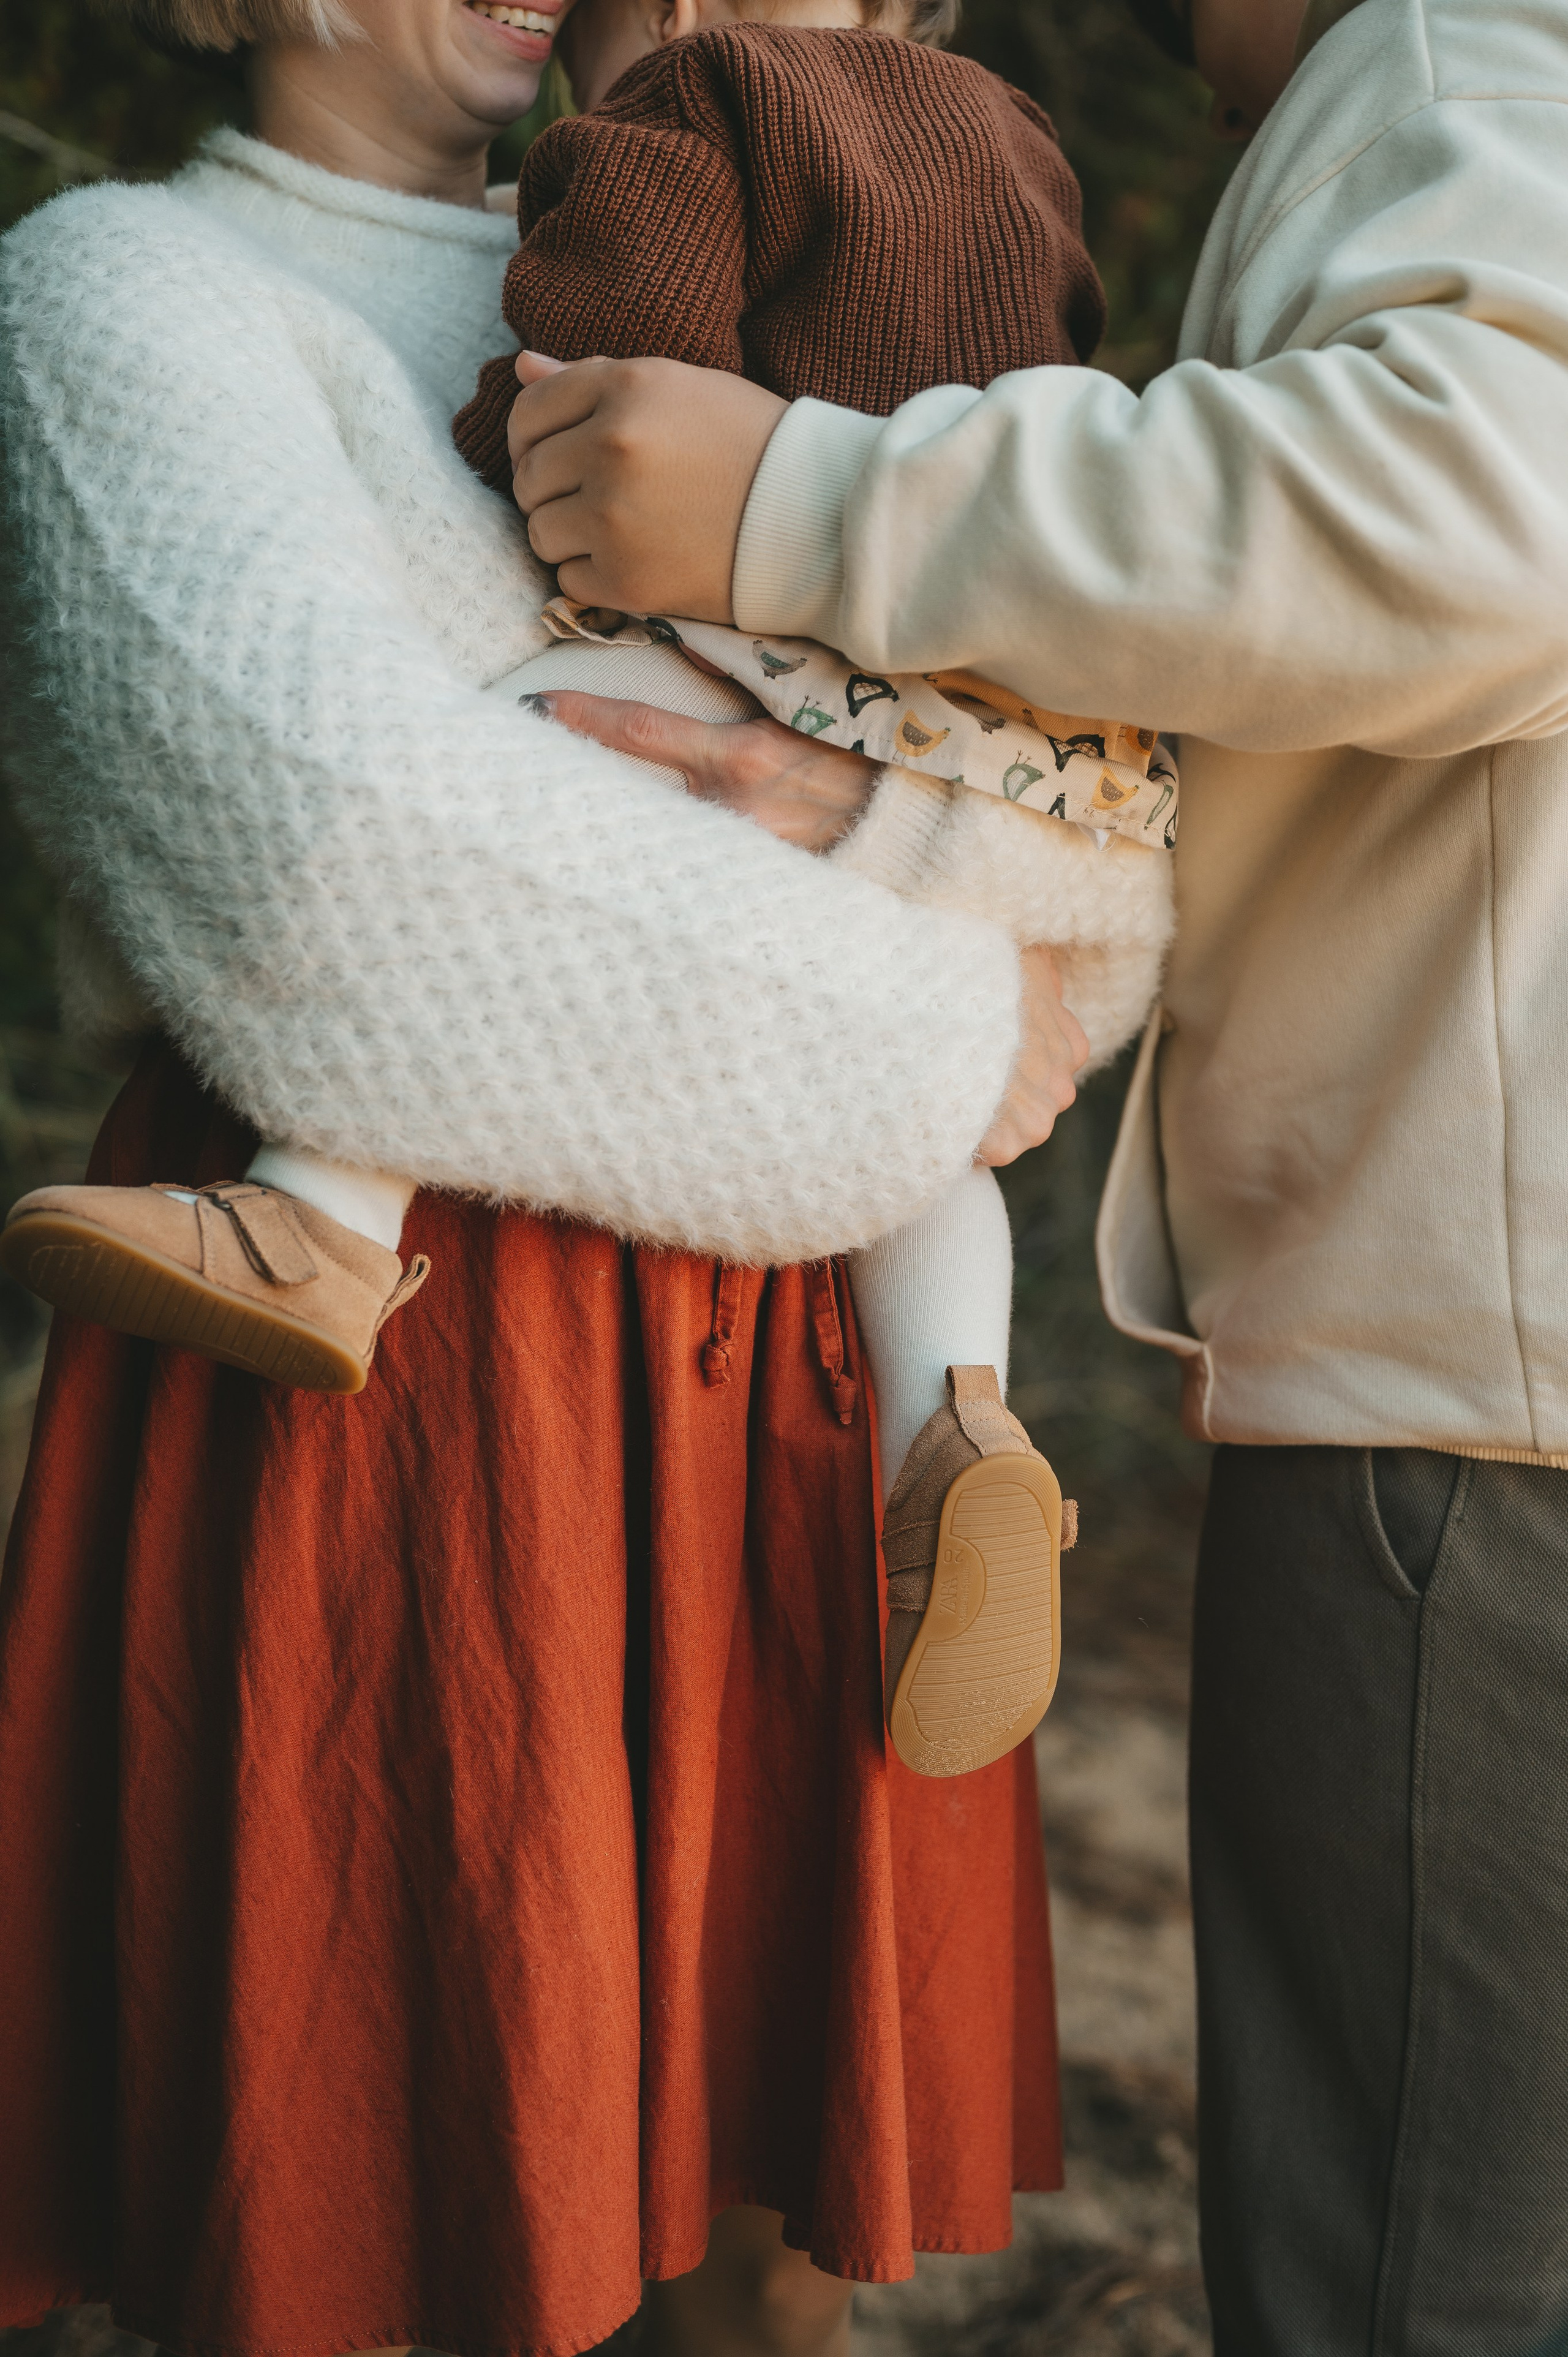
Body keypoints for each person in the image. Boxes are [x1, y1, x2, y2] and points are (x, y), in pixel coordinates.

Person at [0, 0, 1094, 2351]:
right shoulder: (124, 286)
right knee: (392, 2168)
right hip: (387, 1380)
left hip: (782, 1374)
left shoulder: (763, 260)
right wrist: (961, 1008)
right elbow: (345, 880)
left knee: (749, 2200)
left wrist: (944, 853)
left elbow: (1066, 778)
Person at [496, 0, 1568, 2342]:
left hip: (1482, 1417)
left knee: (1429, 2275)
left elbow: (1500, 525)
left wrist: (801, 502)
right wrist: (916, 820)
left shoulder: (1459, 55)